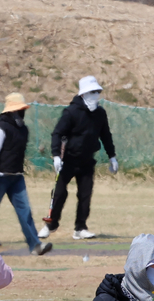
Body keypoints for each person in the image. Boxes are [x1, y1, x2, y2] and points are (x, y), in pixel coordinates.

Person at [0, 93, 53, 256]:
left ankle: (36, 246)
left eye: (22, 110)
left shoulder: (23, 129)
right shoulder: (1, 128)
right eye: (18, 110)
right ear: (10, 111)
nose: (20, 113)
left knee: (25, 212)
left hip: (17, 177)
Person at [40, 76, 116, 241]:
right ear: (83, 94)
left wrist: (112, 156)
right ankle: (50, 225)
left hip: (87, 161)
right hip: (68, 160)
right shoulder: (71, 112)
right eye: (92, 92)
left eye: (97, 91)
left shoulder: (100, 113)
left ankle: (80, 228)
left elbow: (106, 135)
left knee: (85, 195)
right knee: (59, 193)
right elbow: (58, 134)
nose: (95, 95)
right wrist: (56, 156)